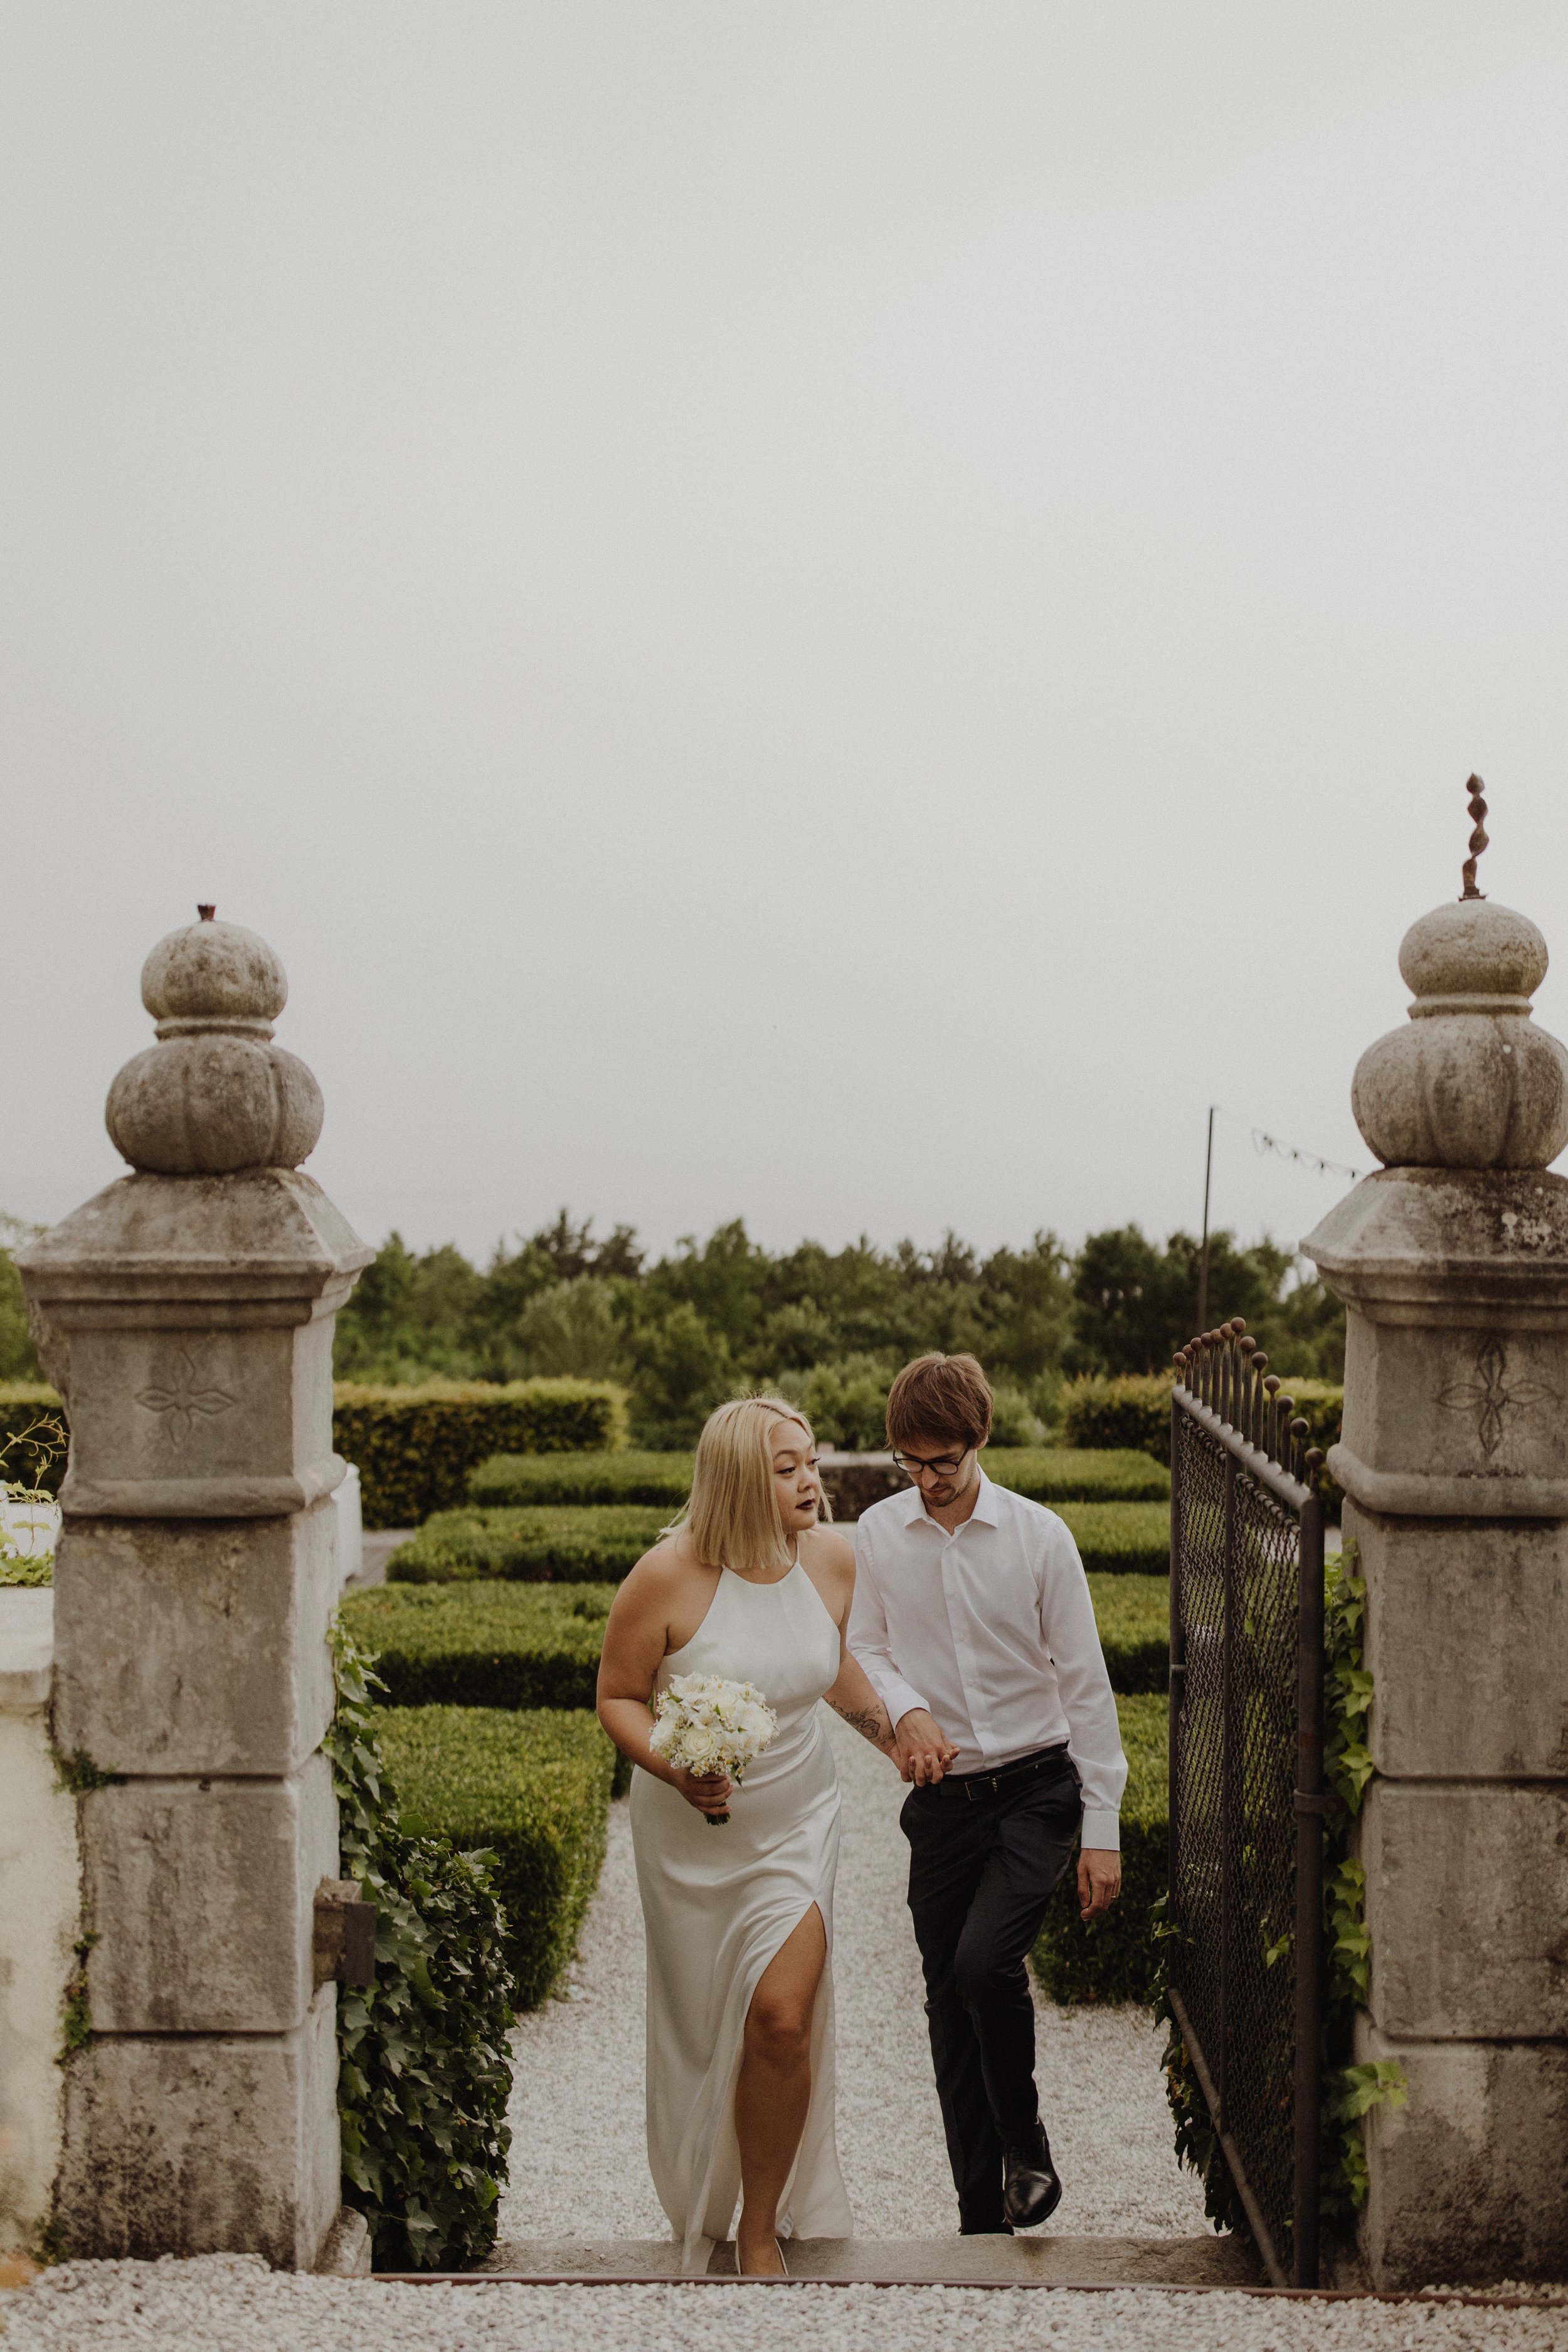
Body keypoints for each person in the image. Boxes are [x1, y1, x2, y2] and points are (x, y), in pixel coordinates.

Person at [596, 1395, 899, 2276]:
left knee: (779, 2017)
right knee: (702, 2033)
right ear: (738, 1477)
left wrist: (893, 1732)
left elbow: (827, 1657)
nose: (812, 1479)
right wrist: (674, 1764)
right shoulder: (664, 1576)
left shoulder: (833, 1561)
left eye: (811, 1460)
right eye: (788, 1467)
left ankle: (761, 2228)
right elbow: (618, 1694)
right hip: (688, 1838)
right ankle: (707, 2193)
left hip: (799, 1820)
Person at [848, 1351, 1126, 2238]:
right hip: (942, 1803)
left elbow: (1086, 1686)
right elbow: (868, 1648)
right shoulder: (880, 1533)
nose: (926, 1480)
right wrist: (909, 1709)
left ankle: (1028, 2146)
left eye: (942, 1462)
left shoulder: (1042, 1538)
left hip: (1037, 1788)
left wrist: (1102, 1827)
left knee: (982, 1965)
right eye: (910, 1463)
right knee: (945, 2003)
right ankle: (982, 2217)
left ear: (980, 1443)